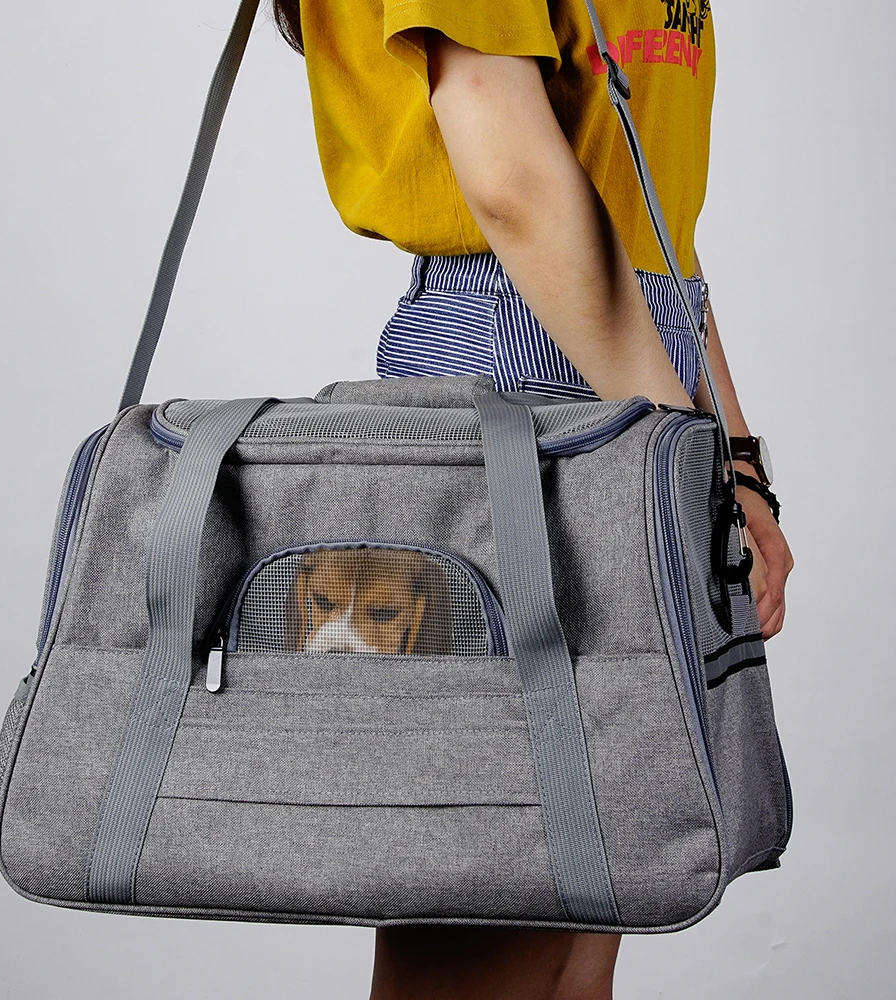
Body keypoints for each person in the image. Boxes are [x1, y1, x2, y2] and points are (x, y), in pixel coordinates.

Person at [270, 2, 795, 997]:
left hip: (628, 357)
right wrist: (677, 452)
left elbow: (647, 226)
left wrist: (732, 458)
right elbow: (512, 183)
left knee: (585, 922)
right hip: (527, 372)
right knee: (496, 894)